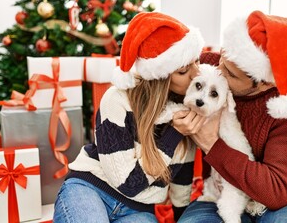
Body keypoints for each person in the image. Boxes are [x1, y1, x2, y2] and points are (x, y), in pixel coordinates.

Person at [53, 12, 206, 223]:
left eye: (197, 61)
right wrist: (174, 135)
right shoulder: (117, 100)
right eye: (183, 71)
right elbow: (128, 182)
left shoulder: (188, 110)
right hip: (92, 188)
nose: (197, 74)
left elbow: (181, 182)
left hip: (139, 210)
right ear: (159, 78)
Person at [178, 10, 287, 223]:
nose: (219, 72)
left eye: (231, 74)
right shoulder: (209, 67)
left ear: (265, 82)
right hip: (220, 185)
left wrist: (211, 145)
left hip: (278, 190)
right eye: (222, 60)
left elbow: (278, 190)